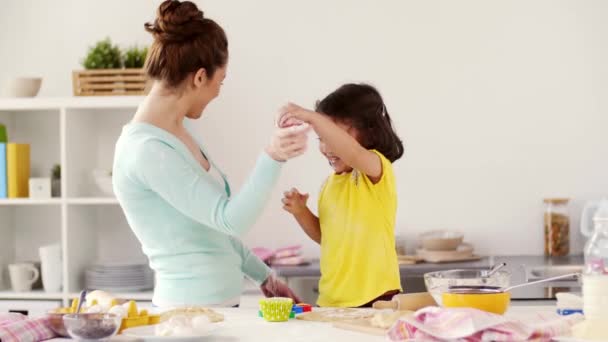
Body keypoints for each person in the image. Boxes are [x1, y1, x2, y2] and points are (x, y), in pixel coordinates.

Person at [113, 0, 307, 307]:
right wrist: (273, 155)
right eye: (221, 81)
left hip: (215, 311)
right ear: (200, 77)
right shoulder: (146, 151)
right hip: (188, 316)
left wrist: (265, 277)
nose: (219, 92)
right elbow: (229, 220)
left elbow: (212, 231)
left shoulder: (176, 133)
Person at [280, 83, 404, 307]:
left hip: (374, 297)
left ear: (369, 132)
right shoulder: (330, 185)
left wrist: (315, 119)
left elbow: (353, 152)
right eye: (321, 138)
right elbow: (326, 237)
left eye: (333, 135)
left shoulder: (375, 170)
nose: (327, 147)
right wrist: (301, 212)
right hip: (332, 300)